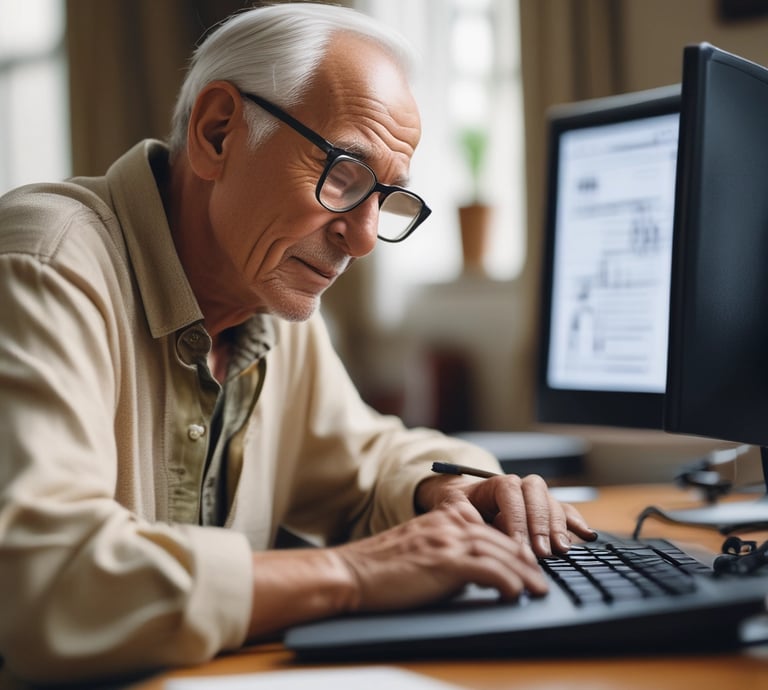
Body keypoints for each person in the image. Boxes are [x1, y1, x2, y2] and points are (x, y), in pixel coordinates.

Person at [0, 3, 595, 685]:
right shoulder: (47, 264)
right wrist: (350, 573)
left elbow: (368, 461)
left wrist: (458, 491)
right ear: (218, 132)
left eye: (386, 199)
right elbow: (42, 583)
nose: (365, 238)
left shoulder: (270, 305)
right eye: (344, 173)